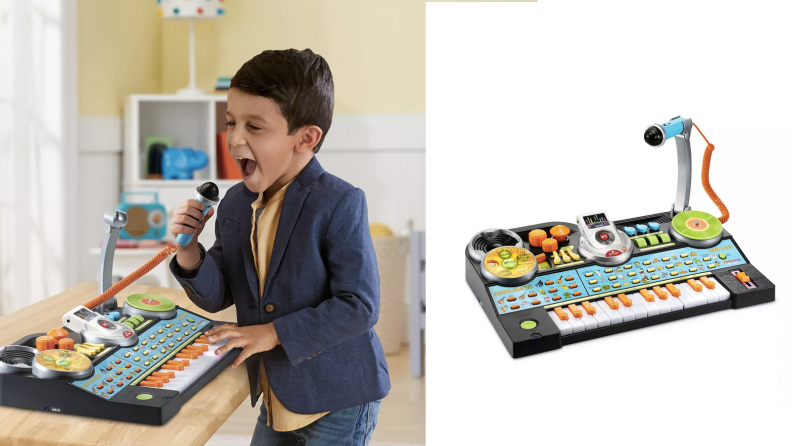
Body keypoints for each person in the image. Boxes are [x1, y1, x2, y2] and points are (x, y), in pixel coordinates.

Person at [168, 48, 390, 446]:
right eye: (231, 122)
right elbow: (220, 293)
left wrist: (270, 333)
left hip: (339, 396)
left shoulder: (340, 201)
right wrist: (189, 252)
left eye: (254, 127)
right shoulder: (235, 203)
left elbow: (359, 305)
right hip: (278, 393)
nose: (234, 138)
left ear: (305, 138)